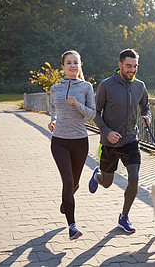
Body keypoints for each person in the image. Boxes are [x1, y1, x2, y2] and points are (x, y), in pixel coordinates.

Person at [89, 48, 151, 233]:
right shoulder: (106, 86)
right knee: (107, 183)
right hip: (110, 143)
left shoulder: (140, 86)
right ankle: (97, 175)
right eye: (128, 66)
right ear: (120, 65)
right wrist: (107, 132)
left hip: (131, 140)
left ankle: (124, 217)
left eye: (135, 66)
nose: (132, 70)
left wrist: (147, 116)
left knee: (134, 179)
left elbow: (146, 106)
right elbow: (95, 113)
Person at [48, 50, 96, 240]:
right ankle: (72, 226)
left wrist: (77, 105)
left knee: (74, 184)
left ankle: (65, 201)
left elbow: (92, 114)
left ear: (80, 65)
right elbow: (52, 106)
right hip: (59, 141)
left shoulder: (86, 87)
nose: (72, 66)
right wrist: (53, 120)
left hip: (80, 142)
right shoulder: (55, 88)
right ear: (63, 67)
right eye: (69, 63)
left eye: (76, 63)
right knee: (68, 181)